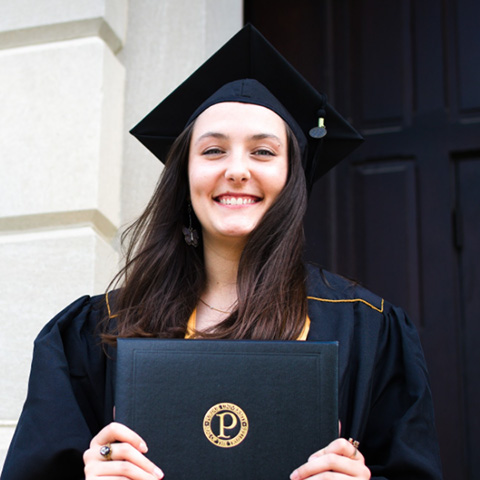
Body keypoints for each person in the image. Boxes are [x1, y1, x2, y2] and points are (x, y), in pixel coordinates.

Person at [1, 25, 443, 480]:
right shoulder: (94, 332)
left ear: (292, 176)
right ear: (185, 174)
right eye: (213, 150)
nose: (236, 170)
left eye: (263, 152)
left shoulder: (367, 327)